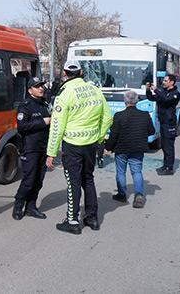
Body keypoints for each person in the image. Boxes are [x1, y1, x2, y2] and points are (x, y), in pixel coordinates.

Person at [46, 60, 112, 235]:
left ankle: (72, 220)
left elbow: (57, 126)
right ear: (81, 73)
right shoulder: (95, 90)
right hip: (91, 144)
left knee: (73, 183)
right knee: (88, 179)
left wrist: (51, 152)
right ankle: (92, 218)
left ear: (65, 74)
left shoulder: (64, 94)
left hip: (73, 145)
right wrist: (98, 137)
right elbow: (107, 118)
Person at [105, 91, 155, 208]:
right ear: (137, 101)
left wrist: (108, 147)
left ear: (125, 101)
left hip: (121, 148)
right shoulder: (145, 115)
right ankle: (138, 195)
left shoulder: (119, 116)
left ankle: (122, 194)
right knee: (137, 171)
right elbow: (151, 131)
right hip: (138, 148)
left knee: (121, 172)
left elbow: (114, 135)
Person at [12, 76, 51, 220]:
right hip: (30, 148)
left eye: (42, 85)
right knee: (29, 180)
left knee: (39, 180)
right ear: (30, 90)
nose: (41, 88)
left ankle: (31, 207)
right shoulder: (25, 106)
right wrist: (43, 122)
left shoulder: (45, 104)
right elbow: (22, 127)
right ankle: (18, 205)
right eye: (37, 86)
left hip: (44, 148)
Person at [145, 74, 180, 176]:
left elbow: (166, 99)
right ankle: (165, 165)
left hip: (169, 123)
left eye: (165, 81)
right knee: (164, 145)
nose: (163, 82)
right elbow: (152, 98)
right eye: (163, 81)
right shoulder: (163, 92)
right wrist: (148, 90)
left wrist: (156, 90)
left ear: (171, 82)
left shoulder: (175, 94)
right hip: (163, 122)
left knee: (169, 146)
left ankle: (169, 167)